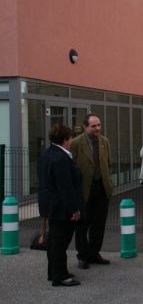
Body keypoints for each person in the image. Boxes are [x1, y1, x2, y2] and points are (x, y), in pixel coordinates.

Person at [38, 123, 84, 287]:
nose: (71, 141)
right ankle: (60, 276)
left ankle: (54, 272)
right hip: (61, 207)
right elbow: (66, 187)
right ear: (65, 139)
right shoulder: (61, 159)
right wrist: (74, 209)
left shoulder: (47, 154)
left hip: (50, 204)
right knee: (60, 242)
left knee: (55, 241)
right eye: (70, 138)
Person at [70, 113, 113, 269]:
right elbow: (71, 167)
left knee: (99, 224)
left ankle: (94, 253)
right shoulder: (76, 143)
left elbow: (108, 164)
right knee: (83, 225)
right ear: (85, 127)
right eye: (93, 126)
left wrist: (108, 183)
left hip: (101, 188)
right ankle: (83, 256)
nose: (97, 128)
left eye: (99, 125)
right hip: (84, 190)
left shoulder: (104, 142)